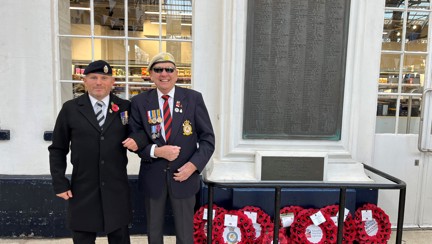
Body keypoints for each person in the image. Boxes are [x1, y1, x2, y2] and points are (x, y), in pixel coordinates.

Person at [128, 52, 215, 244]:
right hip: (153, 178)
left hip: (184, 177)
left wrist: (193, 166)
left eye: (169, 69)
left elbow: (208, 139)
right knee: (154, 233)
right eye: (158, 69)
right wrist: (156, 151)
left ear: (177, 74)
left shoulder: (192, 99)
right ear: (150, 74)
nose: (164, 74)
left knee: (185, 235)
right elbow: (135, 140)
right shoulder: (139, 102)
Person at [49, 60, 136, 244]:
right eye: (93, 77)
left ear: (113, 82)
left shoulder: (125, 107)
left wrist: (138, 141)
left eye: (104, 78)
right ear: (84, 81)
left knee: (120, 237)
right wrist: (59, 182)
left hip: (116, 187)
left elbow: (140, 133)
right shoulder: (70, 109)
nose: (99, 82)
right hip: (83, 187)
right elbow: (58, 148)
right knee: (83, 238)